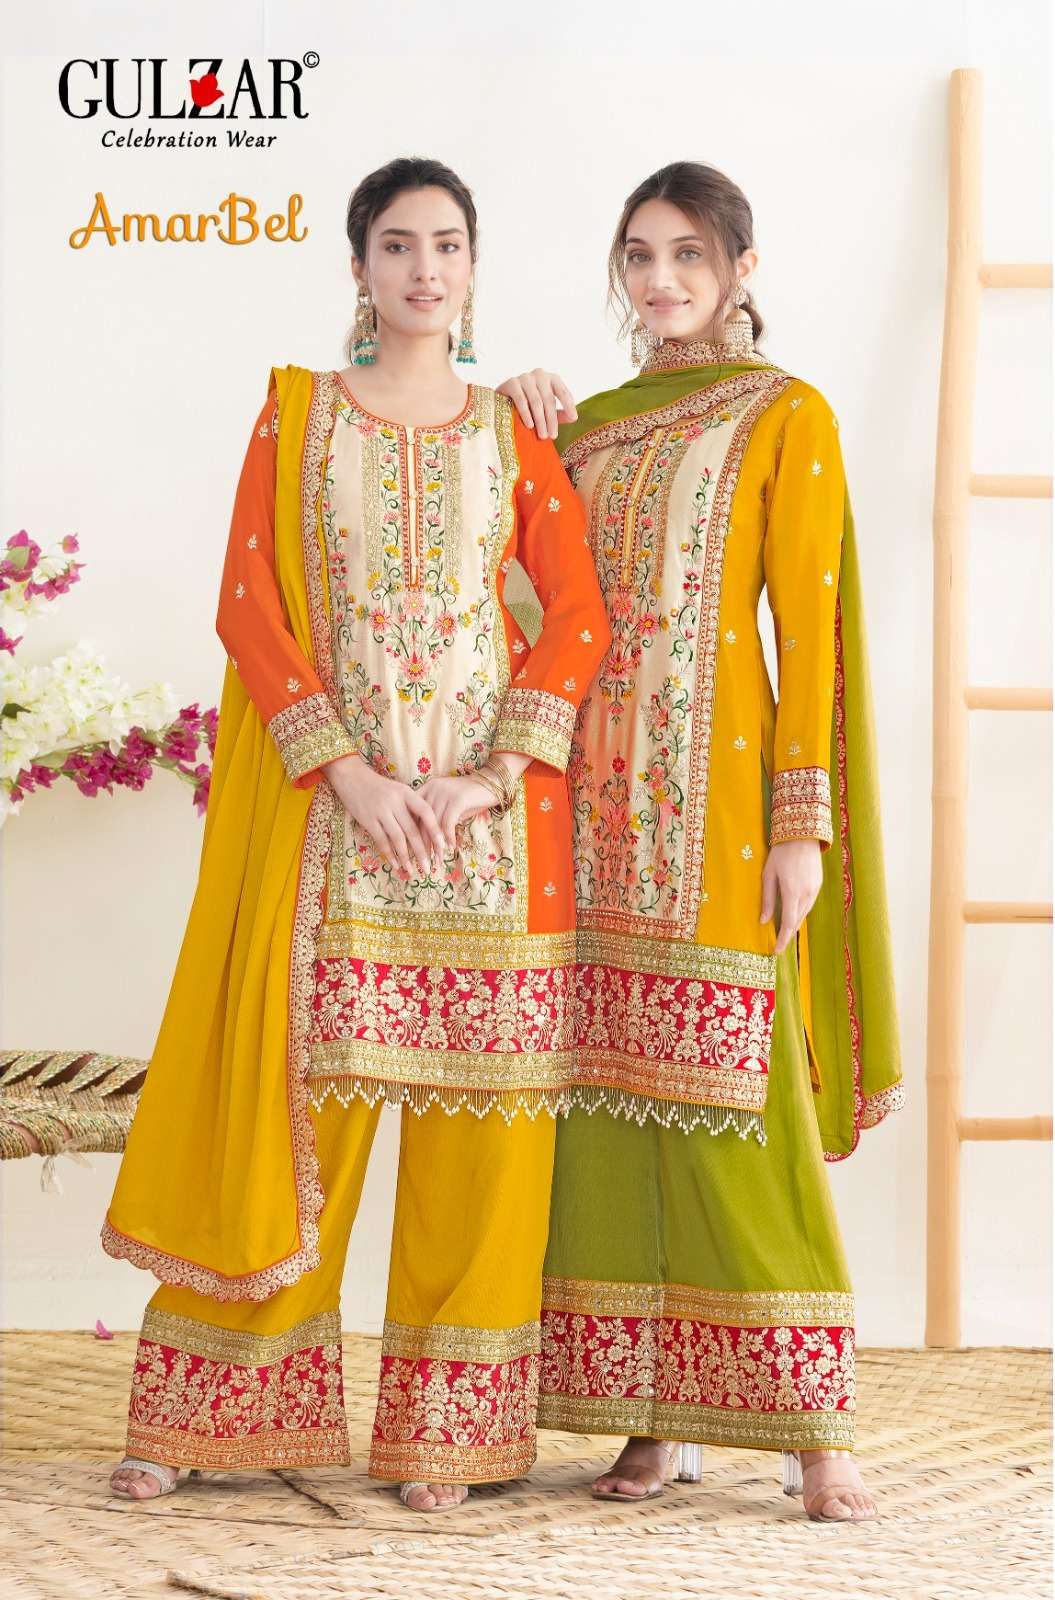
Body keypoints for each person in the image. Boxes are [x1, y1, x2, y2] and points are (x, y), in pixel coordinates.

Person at [104, 156, 610, 1513]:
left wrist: (492, 777)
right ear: (358, 267)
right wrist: (350, 777)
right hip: (343, 829)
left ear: (474, 266)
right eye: (397, 244)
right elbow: (249, 607)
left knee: (481, 1145)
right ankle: (212, 1413)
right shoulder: (299, 417)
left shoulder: (514, 431)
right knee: (296, 1136)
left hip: (488, 838)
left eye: (447, 244)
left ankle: (449, 1436)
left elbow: (576, 617)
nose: (423, 269)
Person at [497, 161, 904, 1522]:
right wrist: (513, 420)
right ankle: (650, 1423)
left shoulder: (786, 415)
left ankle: (815, 1432)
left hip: (720, 816)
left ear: (740, 269)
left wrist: (803, 824)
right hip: (585, 815)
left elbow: (809, 628)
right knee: (605, 1111)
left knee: (739, 1105)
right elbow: (509, 592)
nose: (660, 280)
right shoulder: (591, 428)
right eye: (638, 255)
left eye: (687, 254)